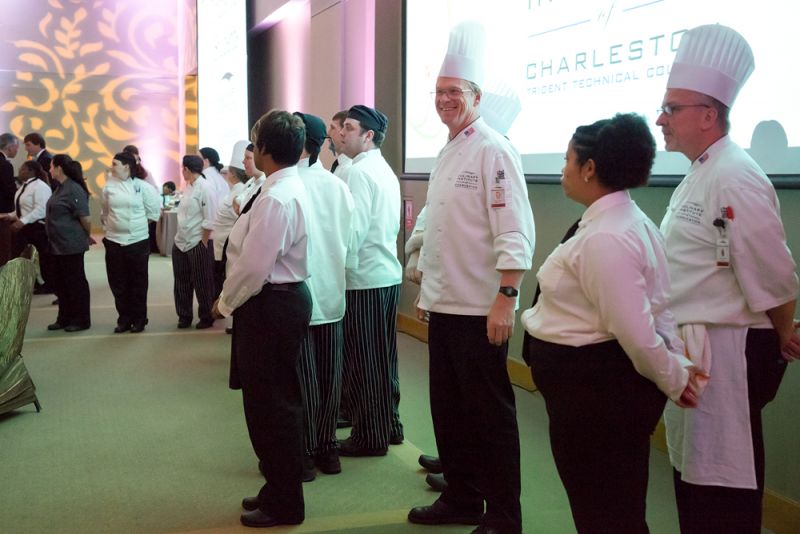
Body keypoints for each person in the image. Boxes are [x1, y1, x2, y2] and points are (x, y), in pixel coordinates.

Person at [522, 113, 702, 533]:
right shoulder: (621, 221)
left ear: (589, 168)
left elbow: (638, 332)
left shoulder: (608, 237)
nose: (562, 169)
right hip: (596, 396)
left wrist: (676, 377)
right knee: (610, 504)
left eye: (567, 159)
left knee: (604, 511)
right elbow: (659, 308)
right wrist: (676, 363)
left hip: (596, 400)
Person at [656, 24, 800, 534]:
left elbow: (773, 272)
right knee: (695, 480)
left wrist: (786, 332)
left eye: (671, 108)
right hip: (698, 351)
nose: (660, 119)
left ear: (708, 114)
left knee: (724, 489)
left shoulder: (736, 174)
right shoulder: (700, 170)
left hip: (730, 354)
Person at [407, 21, 535, 534]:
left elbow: (515, 233)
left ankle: (505, 515)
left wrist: (506, 297)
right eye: (438, 92)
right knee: (450, 412)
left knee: (490, 419)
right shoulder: (449, 149)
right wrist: (430, 293)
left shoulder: (493, 149)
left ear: (477, 95)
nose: (444, 100)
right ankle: (462, 498)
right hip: (446, 306)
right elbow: (445, 232)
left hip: (482, 312)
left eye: (453, 92)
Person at [211, 109, 312, 529]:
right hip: (275, 301)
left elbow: (254, 266)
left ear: (264, 149)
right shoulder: (281, 186)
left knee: (271, 407)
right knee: (270, 402)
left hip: (271, 302)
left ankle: (286, 502)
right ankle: (277, 489)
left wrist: (224, 303)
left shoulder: (276, 196)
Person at [337, 104, 403, 456]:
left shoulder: (359, 173)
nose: (342, 132)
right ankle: (388, 425)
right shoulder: (380, 168)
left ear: (368, 136)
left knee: (366, 362)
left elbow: (354, 230)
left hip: (364, 278)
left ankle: (370, 436)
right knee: (381, 358)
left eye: (348, 127)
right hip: (383, 276)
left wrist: (335, 272)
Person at [293, 112, 355, 479]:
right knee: (330, 379)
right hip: (332, 295)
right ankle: (327, 450)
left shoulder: (283, 186)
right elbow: (348, 238)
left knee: (299, 382)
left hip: (297, 298)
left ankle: (301, 454)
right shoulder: (336, 185)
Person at [101, 151, 161, 333]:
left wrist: (136, 227)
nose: (111, 167)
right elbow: (104, 212)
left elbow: (153, 213)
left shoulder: (142, 187)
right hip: (113, 240)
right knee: (118, 282)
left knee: (138, 282)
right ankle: (124, 318)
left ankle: (140, 318)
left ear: (127, 167)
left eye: (115, 164)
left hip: (137, 241)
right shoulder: (108, 187)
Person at [46, 155, 92, 332]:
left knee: (75, 283)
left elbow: (85, 218)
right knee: (61, 283)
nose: (49, 171)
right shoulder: (59, 188)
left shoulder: (73, 189)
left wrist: (86, 235)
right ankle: (64, 317)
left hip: (71, 244)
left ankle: (81, 319)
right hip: (57, 245)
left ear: (59, 168)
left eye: (51, 167)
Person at [172, 155, 217, 329]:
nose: (182, 172)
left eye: (183, 168)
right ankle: (184, 316)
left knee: (202, 282)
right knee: (181, 281)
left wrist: (204, 242)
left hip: (198, 241)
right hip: (181, 241)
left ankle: (206, 316)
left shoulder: (205, 188)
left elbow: (210, 217)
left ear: (187, 169)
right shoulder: (188, 187)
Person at [0, 161, 54, 289]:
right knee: (23, 256)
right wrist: (10, 215)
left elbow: (41, 209)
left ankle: (47, 284)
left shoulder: (40, 186)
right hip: (26, 227)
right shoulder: (25, 187)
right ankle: (31, 282)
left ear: (31, 171)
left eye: (22, 169)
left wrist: (22, 221)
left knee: (42, 258)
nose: (19, 172)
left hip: (37, 228)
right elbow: (22, 208)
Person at [211, 140, 249, 301]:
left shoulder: (240, 190)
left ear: (233, 173)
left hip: (229, 244)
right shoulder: (234, 190)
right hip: (221, 244)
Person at [233, 143, 265, 215]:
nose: (243, 161)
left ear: (259, 159)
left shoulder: (265, 184)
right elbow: (237, 201)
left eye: (248, 158)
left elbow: (243, 209)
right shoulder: (252, 180)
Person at [327, 110, 351, 178]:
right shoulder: (338, 166)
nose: (328, 133)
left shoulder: (350, 170)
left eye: (333, 128)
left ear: (344, 132)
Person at [0, 133, 19, 213]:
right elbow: (9, 190)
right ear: (10, 147)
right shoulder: (5, 164)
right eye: (17, 147)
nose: (17, 150)